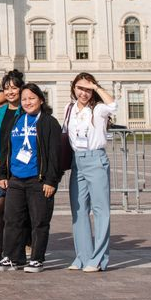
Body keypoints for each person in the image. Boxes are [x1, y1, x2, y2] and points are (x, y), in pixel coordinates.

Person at [0, 83, 62, 274]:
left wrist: (51, 180)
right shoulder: (17, 120)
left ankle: (37, 259)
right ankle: (12, 257)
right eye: (24, 99)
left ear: (41, 100)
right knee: (12, 220)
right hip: (16, 179)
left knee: (39, 221)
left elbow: (55, 154)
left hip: (38, 180)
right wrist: (3, 173)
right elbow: (6, 148)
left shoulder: (49, 122)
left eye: (32, 98)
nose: (28, 102)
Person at [65, 72, 117, 272]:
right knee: (79, 210)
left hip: (96, 159)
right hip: (77, 160)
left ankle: (98, 259)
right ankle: (83, 256)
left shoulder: (99, 109)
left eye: (88, 89)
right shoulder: (69, 108)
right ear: (73, 88)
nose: (83, 93)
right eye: (80, 88)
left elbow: (114, 105)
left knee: (100, 210)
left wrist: (96, 87)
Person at [0, 70, 24, 258]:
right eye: (7, 88)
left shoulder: (25, 111)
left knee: (18, 210)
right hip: (0, 166)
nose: (10, 92)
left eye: (14, 88)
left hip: (19, 167)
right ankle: (3, 249)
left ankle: (19, 248)